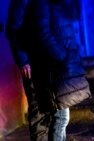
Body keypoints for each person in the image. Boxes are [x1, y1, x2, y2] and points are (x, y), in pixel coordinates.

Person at [7, 0, 91, 140]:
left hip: (50, 64)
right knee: (40, 112)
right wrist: (24, 60)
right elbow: (15, 30)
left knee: (57, 113)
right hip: (38, 65)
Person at [6, 0, 48, 140]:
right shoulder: (21, 2)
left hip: (48, 59)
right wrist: (23, 61)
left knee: (53, 108)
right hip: (33, 62)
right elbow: (13, 30)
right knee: (37, 107)